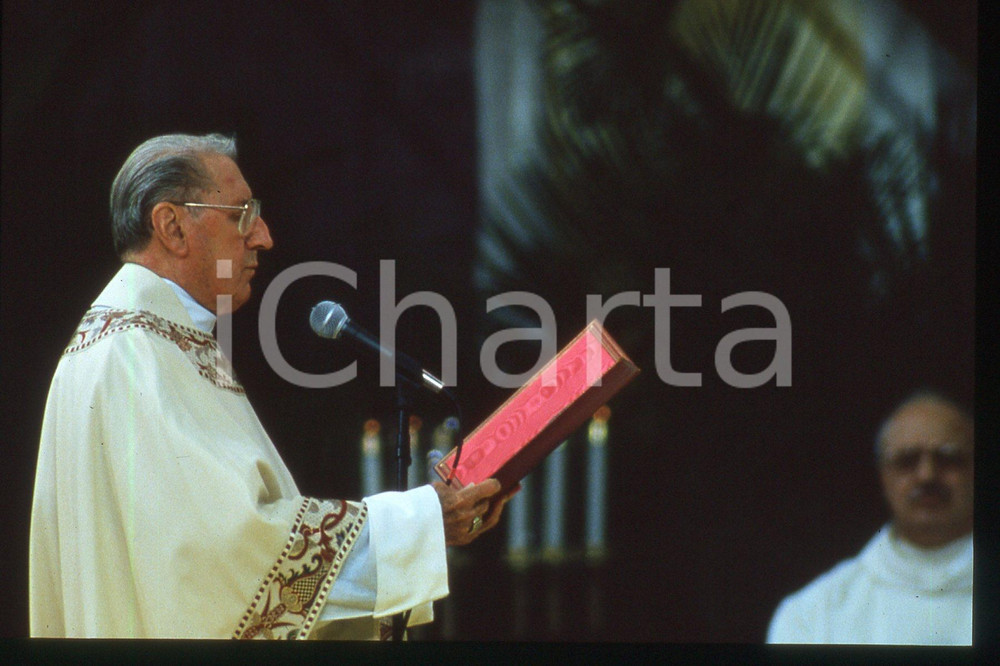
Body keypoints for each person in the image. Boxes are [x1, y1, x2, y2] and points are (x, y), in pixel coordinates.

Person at [28, 133, 508, 640]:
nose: (263, 236)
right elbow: (229, 560)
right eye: (241, 213)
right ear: (172, 226)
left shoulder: (137, 339)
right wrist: (420, 521)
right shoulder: (136, 356)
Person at [767, 391, 974, 645]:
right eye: (907, 461)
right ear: (883, 477)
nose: (927, 475)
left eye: (948, 458)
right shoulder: (815, 612)